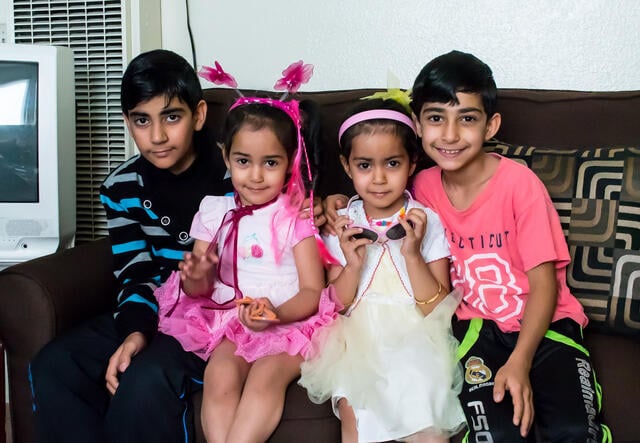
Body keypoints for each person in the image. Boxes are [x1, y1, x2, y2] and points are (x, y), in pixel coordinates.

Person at [408, 50, 611, 442]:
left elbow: (545, 285)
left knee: (572, 430)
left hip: (548, 327)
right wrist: (332, 205)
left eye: (466, 118)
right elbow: (372, 201)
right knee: (496, 436)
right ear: (417, 124)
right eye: (436, 118)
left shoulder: (520, 185)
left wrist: (520, 361)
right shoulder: (420, 188)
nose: (449, 135)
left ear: (490, 125)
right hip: (477, 332)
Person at [29, 49, 230, 443]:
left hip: (211, 320)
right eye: (142, 120)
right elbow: (135, 272)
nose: (157, 136)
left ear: (199, 115)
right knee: (55, 365)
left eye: (171, 117)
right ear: (128, 123)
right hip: (152, 309)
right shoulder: (120, 187)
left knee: (144, 380)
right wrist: (135, 331)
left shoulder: (236, 174)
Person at [154, 95, 339, 443]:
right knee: (219, 375)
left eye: (270, 162)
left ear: (290, 163)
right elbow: (199, 290)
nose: (255, 176)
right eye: (243, 161)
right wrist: (196, 278)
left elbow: (313, 291)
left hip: (291, 323)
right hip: (234, 321)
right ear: (226, 156)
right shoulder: (213, 211)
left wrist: (277, 314)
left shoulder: (296, 215)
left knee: (263, 380)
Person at [299, 97, 466, 443]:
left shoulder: (426, 221)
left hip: (416, 332)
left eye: (392, 163)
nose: (378, 178)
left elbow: (436, 310)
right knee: (358, 419)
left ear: (412, 162)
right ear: (346, 166)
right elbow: (337, 305)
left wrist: (413, 254)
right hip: (357, 336)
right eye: (364, 165)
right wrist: (353, 263)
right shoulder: (342, 224)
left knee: (424, 413)